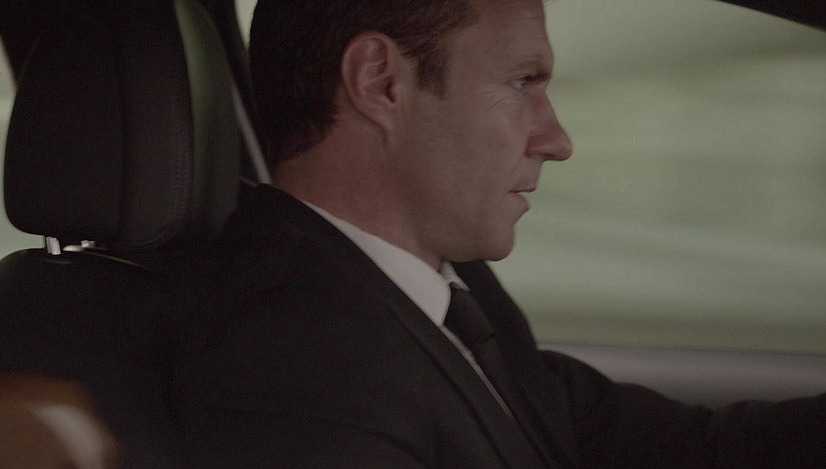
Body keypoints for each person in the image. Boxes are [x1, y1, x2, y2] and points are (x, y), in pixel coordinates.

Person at [173, 0, 826, 467]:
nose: (557, 140)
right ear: (382, 82)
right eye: (521, 82)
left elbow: (683, 445)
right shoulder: (294, 366)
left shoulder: (443, 292)